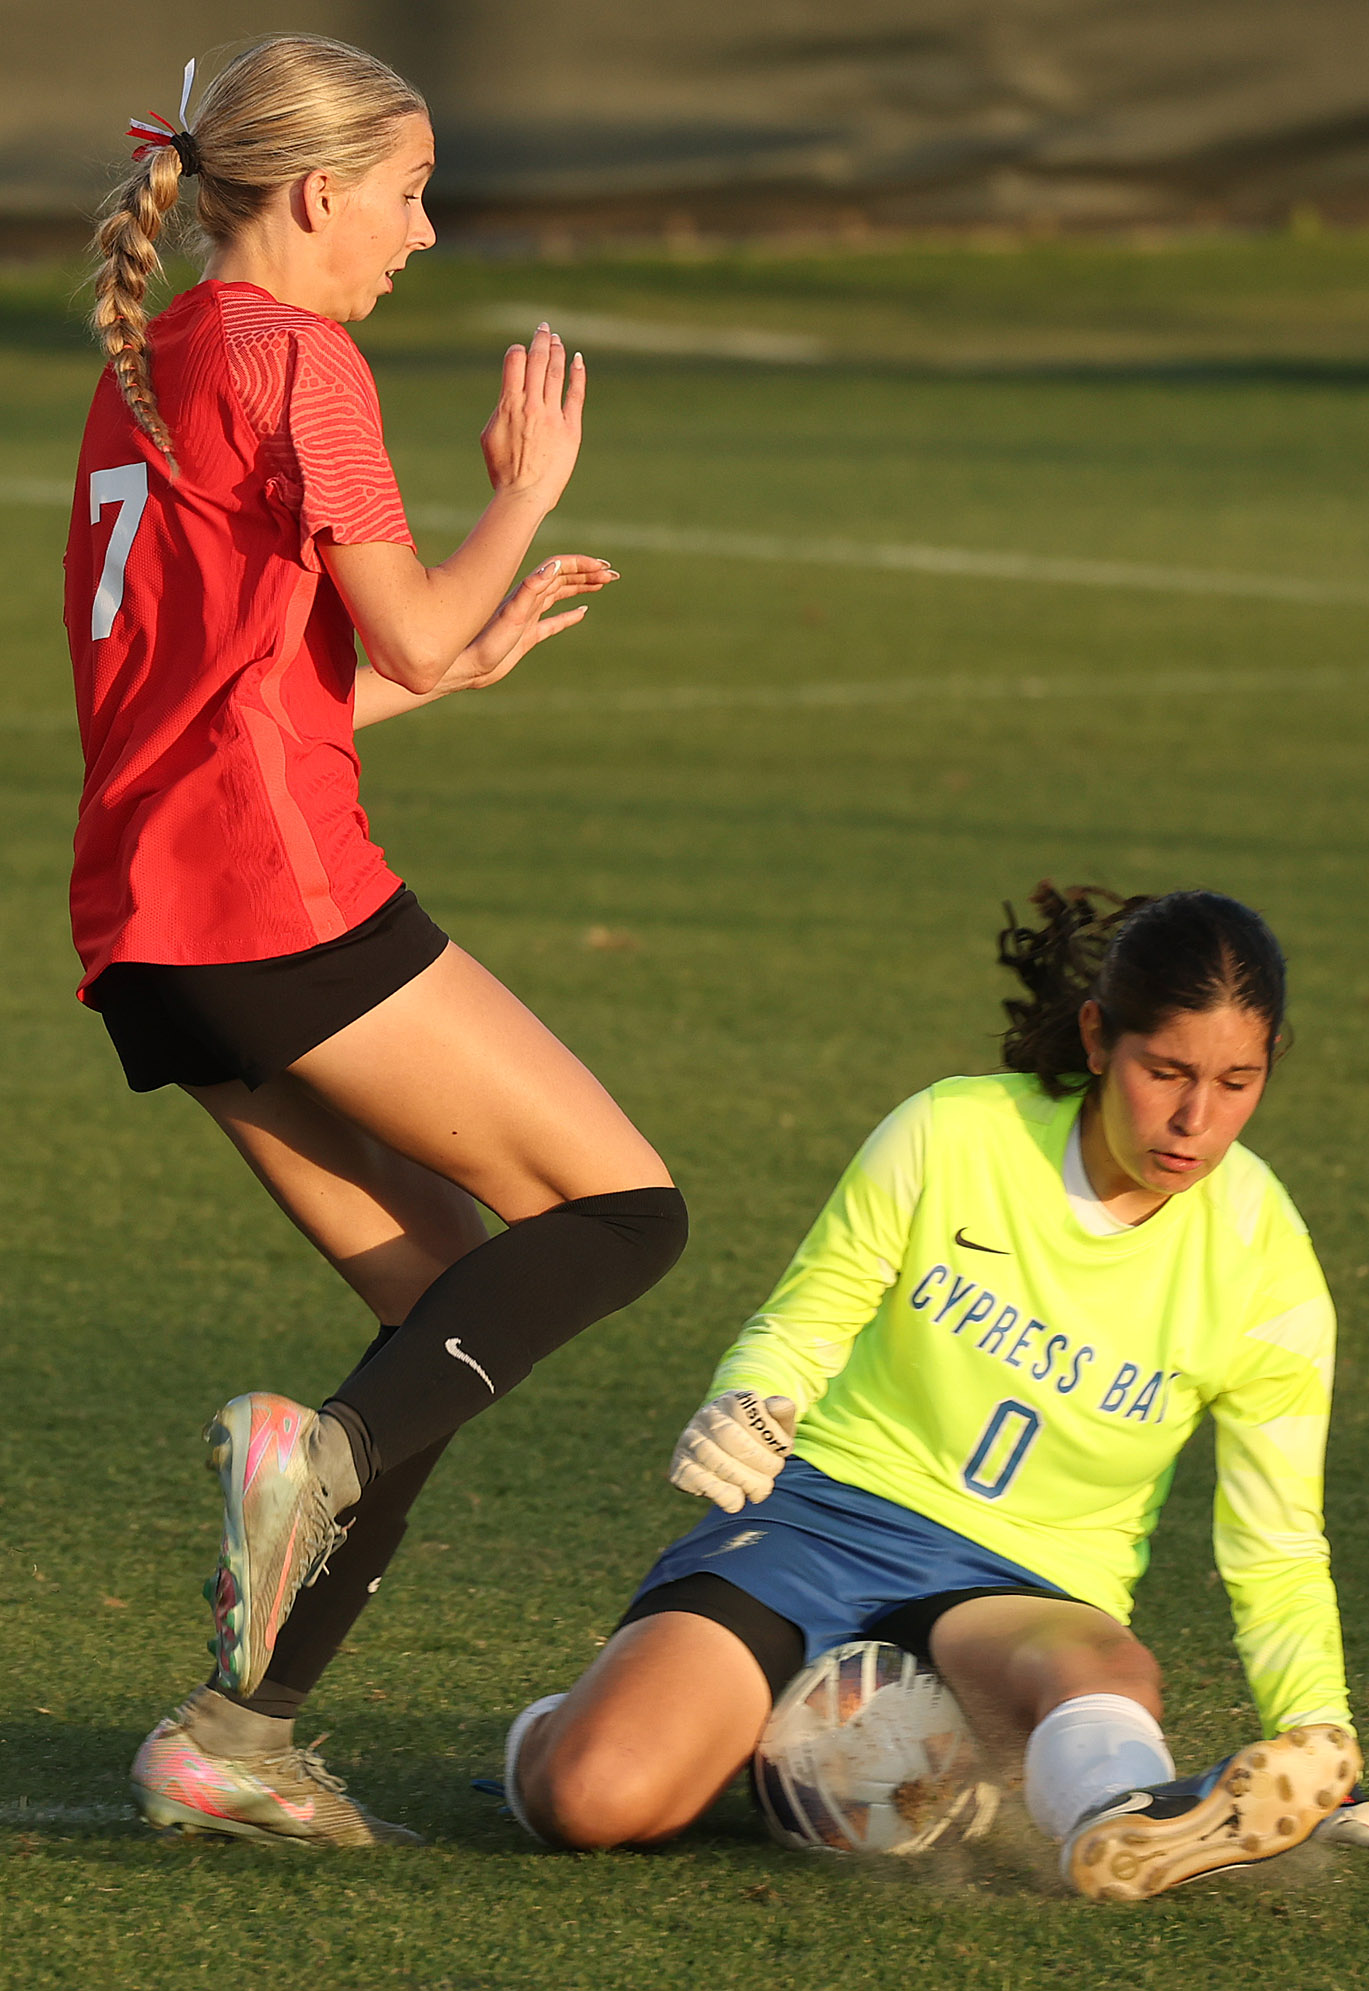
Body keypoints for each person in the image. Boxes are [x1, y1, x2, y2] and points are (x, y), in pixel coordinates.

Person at [64, 36, 688, 1846]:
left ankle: (234, 1736)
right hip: (271, 899)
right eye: (409, 195)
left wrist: (463, 663)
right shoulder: (299, 356)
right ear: (320, 190)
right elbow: (400, 629)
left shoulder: (161, 356)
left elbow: (265, 691)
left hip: (149, 933)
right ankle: (310, 1459)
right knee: (623, 1213)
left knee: (436, 1320)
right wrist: (526, 490)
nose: (422, 233)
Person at [503, 884, 1362, 1900]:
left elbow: (1276, 1541)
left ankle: (1124, 1818)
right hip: (823, 1520)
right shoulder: (953, 1132)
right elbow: (805, 1319)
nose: (1195, 1119)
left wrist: (1318, 1735)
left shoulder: (1267, 1265)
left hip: (1028, 1581)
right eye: (1165, 1071)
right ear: (1098, 1037)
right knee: (594, 1797)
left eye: (1236, 1081)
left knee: (1101, 1670)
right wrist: (753, 1396)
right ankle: (596, 1725)